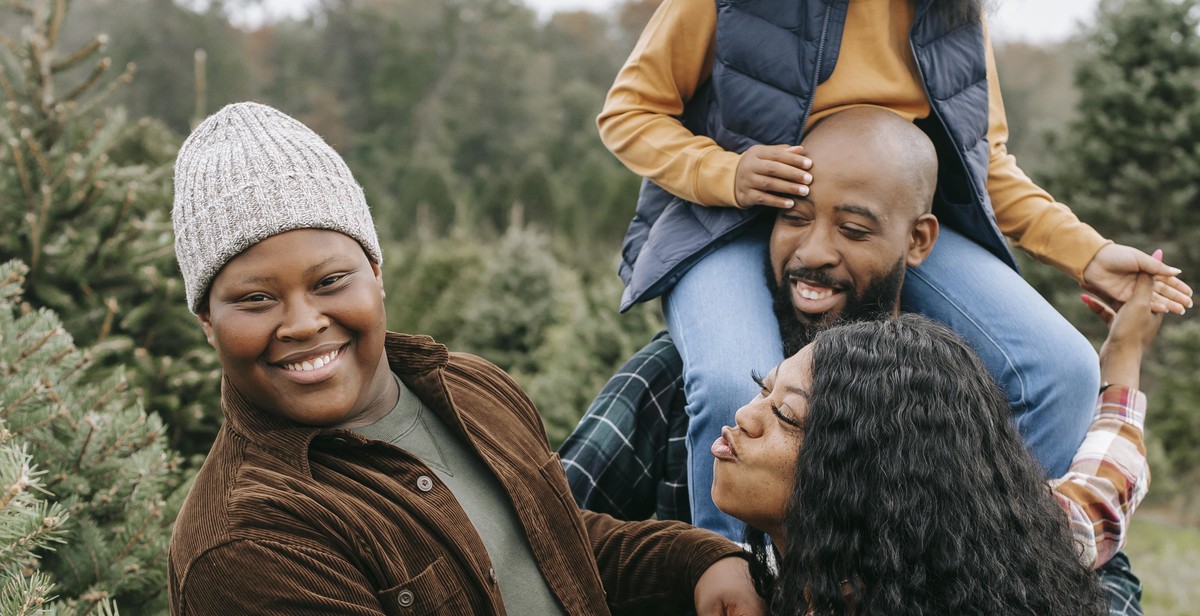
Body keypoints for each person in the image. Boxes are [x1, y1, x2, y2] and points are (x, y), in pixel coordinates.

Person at [598, 0, 1192, 544]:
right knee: (735, 383)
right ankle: (734, 573)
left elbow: (986, 165)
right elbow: (629, 112)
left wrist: (1087, 254)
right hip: (729, 211)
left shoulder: (957, 11)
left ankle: (977, 572)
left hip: (870, 221)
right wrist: (724, 172)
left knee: (1059, 369)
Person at [166, 102, 765, 616]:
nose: (301, 322)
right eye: (255, 299)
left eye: (329, 281)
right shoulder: (249, 543)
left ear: (375, 274)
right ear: (207, 324)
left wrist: (700, 562)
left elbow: (554, 547)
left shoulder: (470, 388)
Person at [562, 107, 1146, 610]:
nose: (814, 251)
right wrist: (694, 565)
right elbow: (536, 526)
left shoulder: (951, 410)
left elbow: (1058, 552)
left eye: (854, 229)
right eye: (792, 216)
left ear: (918, 239)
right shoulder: (673, 378)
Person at [713, 272, 1162, 614]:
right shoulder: (1010, 545)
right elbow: (1103, 488)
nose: (744, 416)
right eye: (762, 388)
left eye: (786, 416)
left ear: (876, 481)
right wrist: (1124, 354)